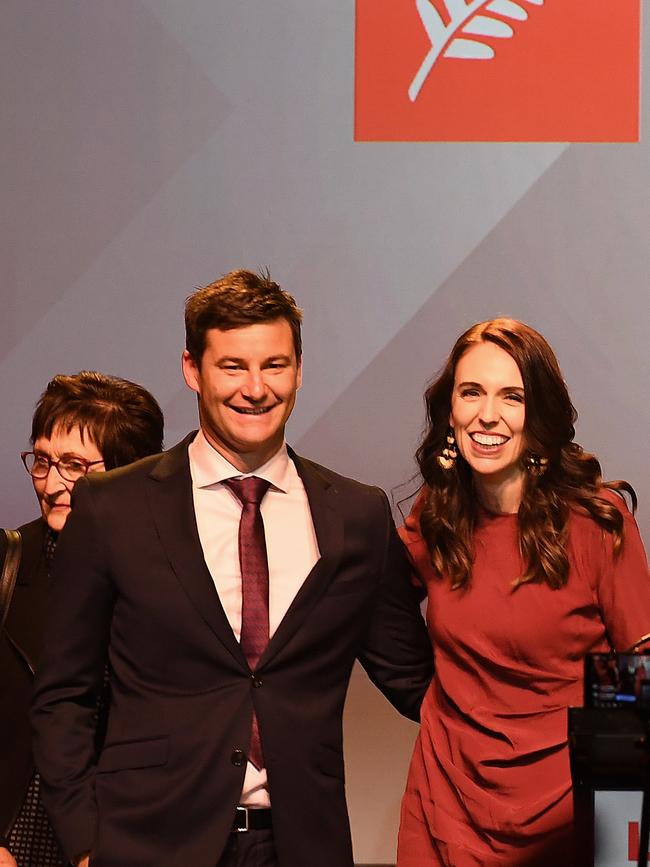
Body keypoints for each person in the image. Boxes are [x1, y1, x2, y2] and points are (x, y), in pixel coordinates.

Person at [31, 269, 433, 867]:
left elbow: (416, 682)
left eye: (274, 365)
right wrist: (86, 842)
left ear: (299, 367)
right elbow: (64, 693)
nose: (255, 388)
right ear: (192, 369)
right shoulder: (113, 506)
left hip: (302, 846)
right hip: (145, 846)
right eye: (233, 367)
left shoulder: (355, 514)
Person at [396, 318, 650, 866]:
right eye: (472, 393)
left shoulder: (596, 522)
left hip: (570, 816)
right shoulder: (436, 513)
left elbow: (637, 686)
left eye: (512, 396)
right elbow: (363, 600)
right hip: (446, 803)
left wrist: (623, 849)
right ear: (450, 411)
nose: (488, 415)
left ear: (539, 416)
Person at [0, 372, 164, 867]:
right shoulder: (7, 564)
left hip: (130, 840)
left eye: (75, 466)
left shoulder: (169, 578)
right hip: (17, 840)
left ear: (128, 471)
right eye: (43, 461)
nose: (52, 485)